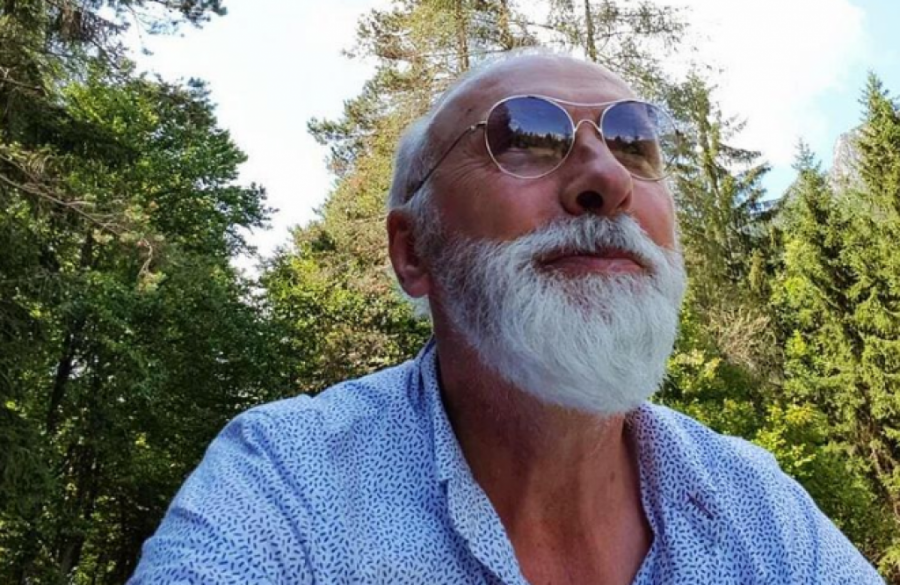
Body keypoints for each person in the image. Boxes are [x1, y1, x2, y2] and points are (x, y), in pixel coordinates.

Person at [129, 52, 883, 584]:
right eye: (524, 137)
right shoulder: (290, 486)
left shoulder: (758, 508)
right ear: (413, 250)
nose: (607, 178)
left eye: (633, 142)